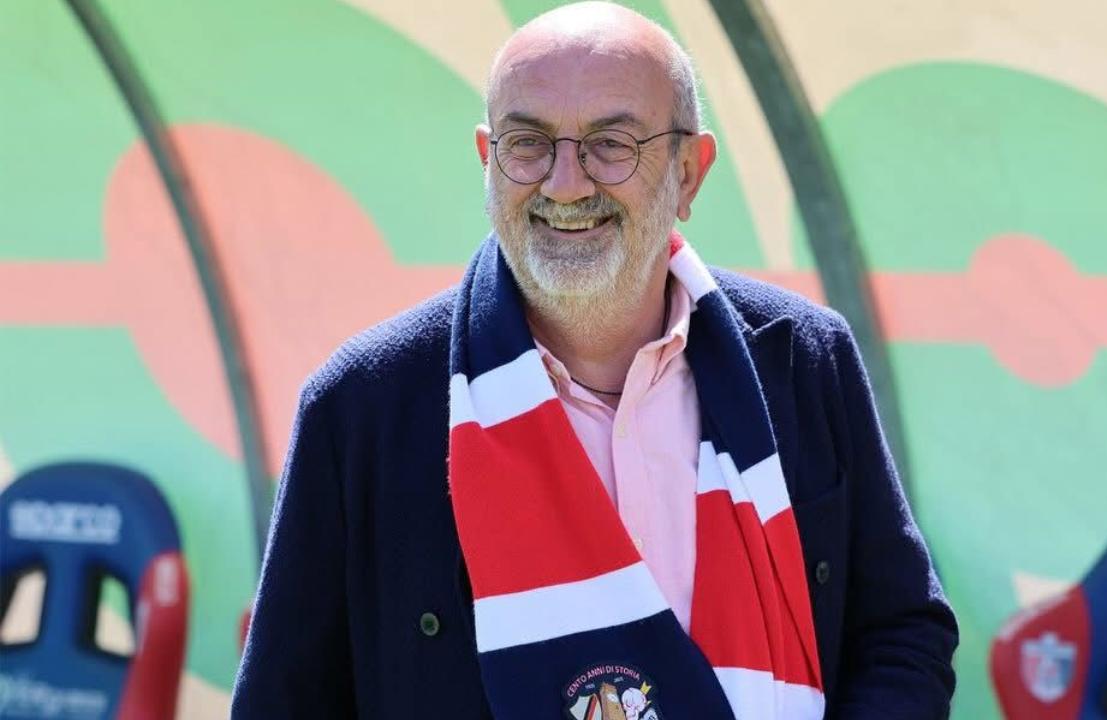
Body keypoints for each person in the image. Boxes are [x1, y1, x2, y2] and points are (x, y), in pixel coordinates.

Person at [231, 3, 957, 718]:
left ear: (688, 172)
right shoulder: (365, 407)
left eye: (612, 143)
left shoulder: (803, 361)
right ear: (487, 162)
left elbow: (901, 631)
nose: (565, 183)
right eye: (528, 144)